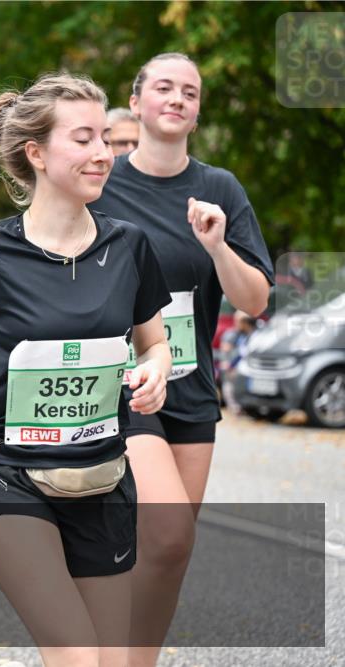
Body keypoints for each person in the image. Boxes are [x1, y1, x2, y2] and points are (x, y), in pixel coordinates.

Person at [0, 74, 172, 665]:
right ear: (36, 153)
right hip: (7, 476)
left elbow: (156, 345)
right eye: (83, 139)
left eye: (105, 137)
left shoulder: (130, 246)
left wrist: (155, 371)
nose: (103, 152)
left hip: (101, 479)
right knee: (78, 655)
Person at [92, 52, 274, 666]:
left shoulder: (220, 189)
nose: (177, 98)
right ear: (135, 102)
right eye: (164, 87)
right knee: (166, 533)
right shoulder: (102, 182)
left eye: (189, 93)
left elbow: (256, 300)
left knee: (169, 552)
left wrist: (218, 247)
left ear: (196, 114)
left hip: (191, 389)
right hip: (123, 387)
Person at [218, 310, 256, 414]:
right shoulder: (233, 334)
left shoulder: (254, 334)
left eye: (238, 321)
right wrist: (229, 364)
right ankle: (235, 407)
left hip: (249, 367)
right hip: (234, 366)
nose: (236, 323)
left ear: (246, 322)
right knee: (228, 380)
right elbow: (226, 351)